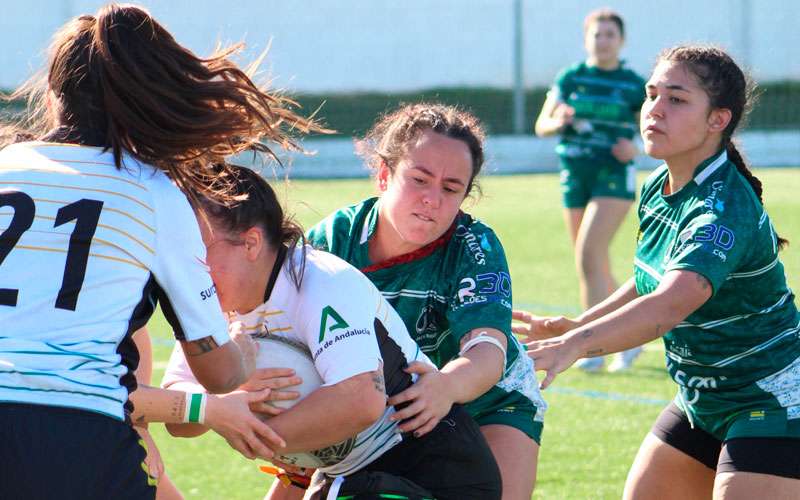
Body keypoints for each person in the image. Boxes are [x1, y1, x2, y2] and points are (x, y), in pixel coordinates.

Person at [0, 4, 319, 498]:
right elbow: (218, 373)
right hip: (76, 442)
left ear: (51, 93)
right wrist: (246, 348)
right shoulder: (155, 193)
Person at [518, 45, 800, 498]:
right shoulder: (660, 185)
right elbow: (652, 280)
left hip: (771, 398)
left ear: (718, 120)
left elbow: (671, 303)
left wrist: (576, 345)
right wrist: (580, 324)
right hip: (701, 398)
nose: (655, 110)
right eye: (652, 95)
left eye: (676, 99)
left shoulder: (721, 206)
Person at [162, 165, 502, 500]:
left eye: (198, 249)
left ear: (250, 243)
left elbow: (359, 400)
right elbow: (180, 417)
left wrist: (252, 432)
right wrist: (228, 393)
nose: (187, 268)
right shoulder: (206, 303)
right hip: (350, 476)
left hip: (432, 467)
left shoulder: (321, 280)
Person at [307, 103, 546, 500]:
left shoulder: (474, 246)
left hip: (489, 401)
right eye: (420, 179)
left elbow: (487, 350)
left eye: (451, 188)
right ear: (384, 175)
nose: (433, 199)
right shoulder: (331, 244)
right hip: (382, 410)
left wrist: (447, 386)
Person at [534, 8, 646, 372]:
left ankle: (592, 345)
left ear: (621, 40)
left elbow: (653, 129)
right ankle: (632, 334)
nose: (603, 41)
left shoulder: (633, 83)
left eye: (610, 35)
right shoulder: (571, 78)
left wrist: (638, 148)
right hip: (575, 173)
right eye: (597, 34)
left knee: (589, 252)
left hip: (612, 174)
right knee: (590, 264)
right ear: (587, 39)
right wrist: (559, 121)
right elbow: (542, 124)